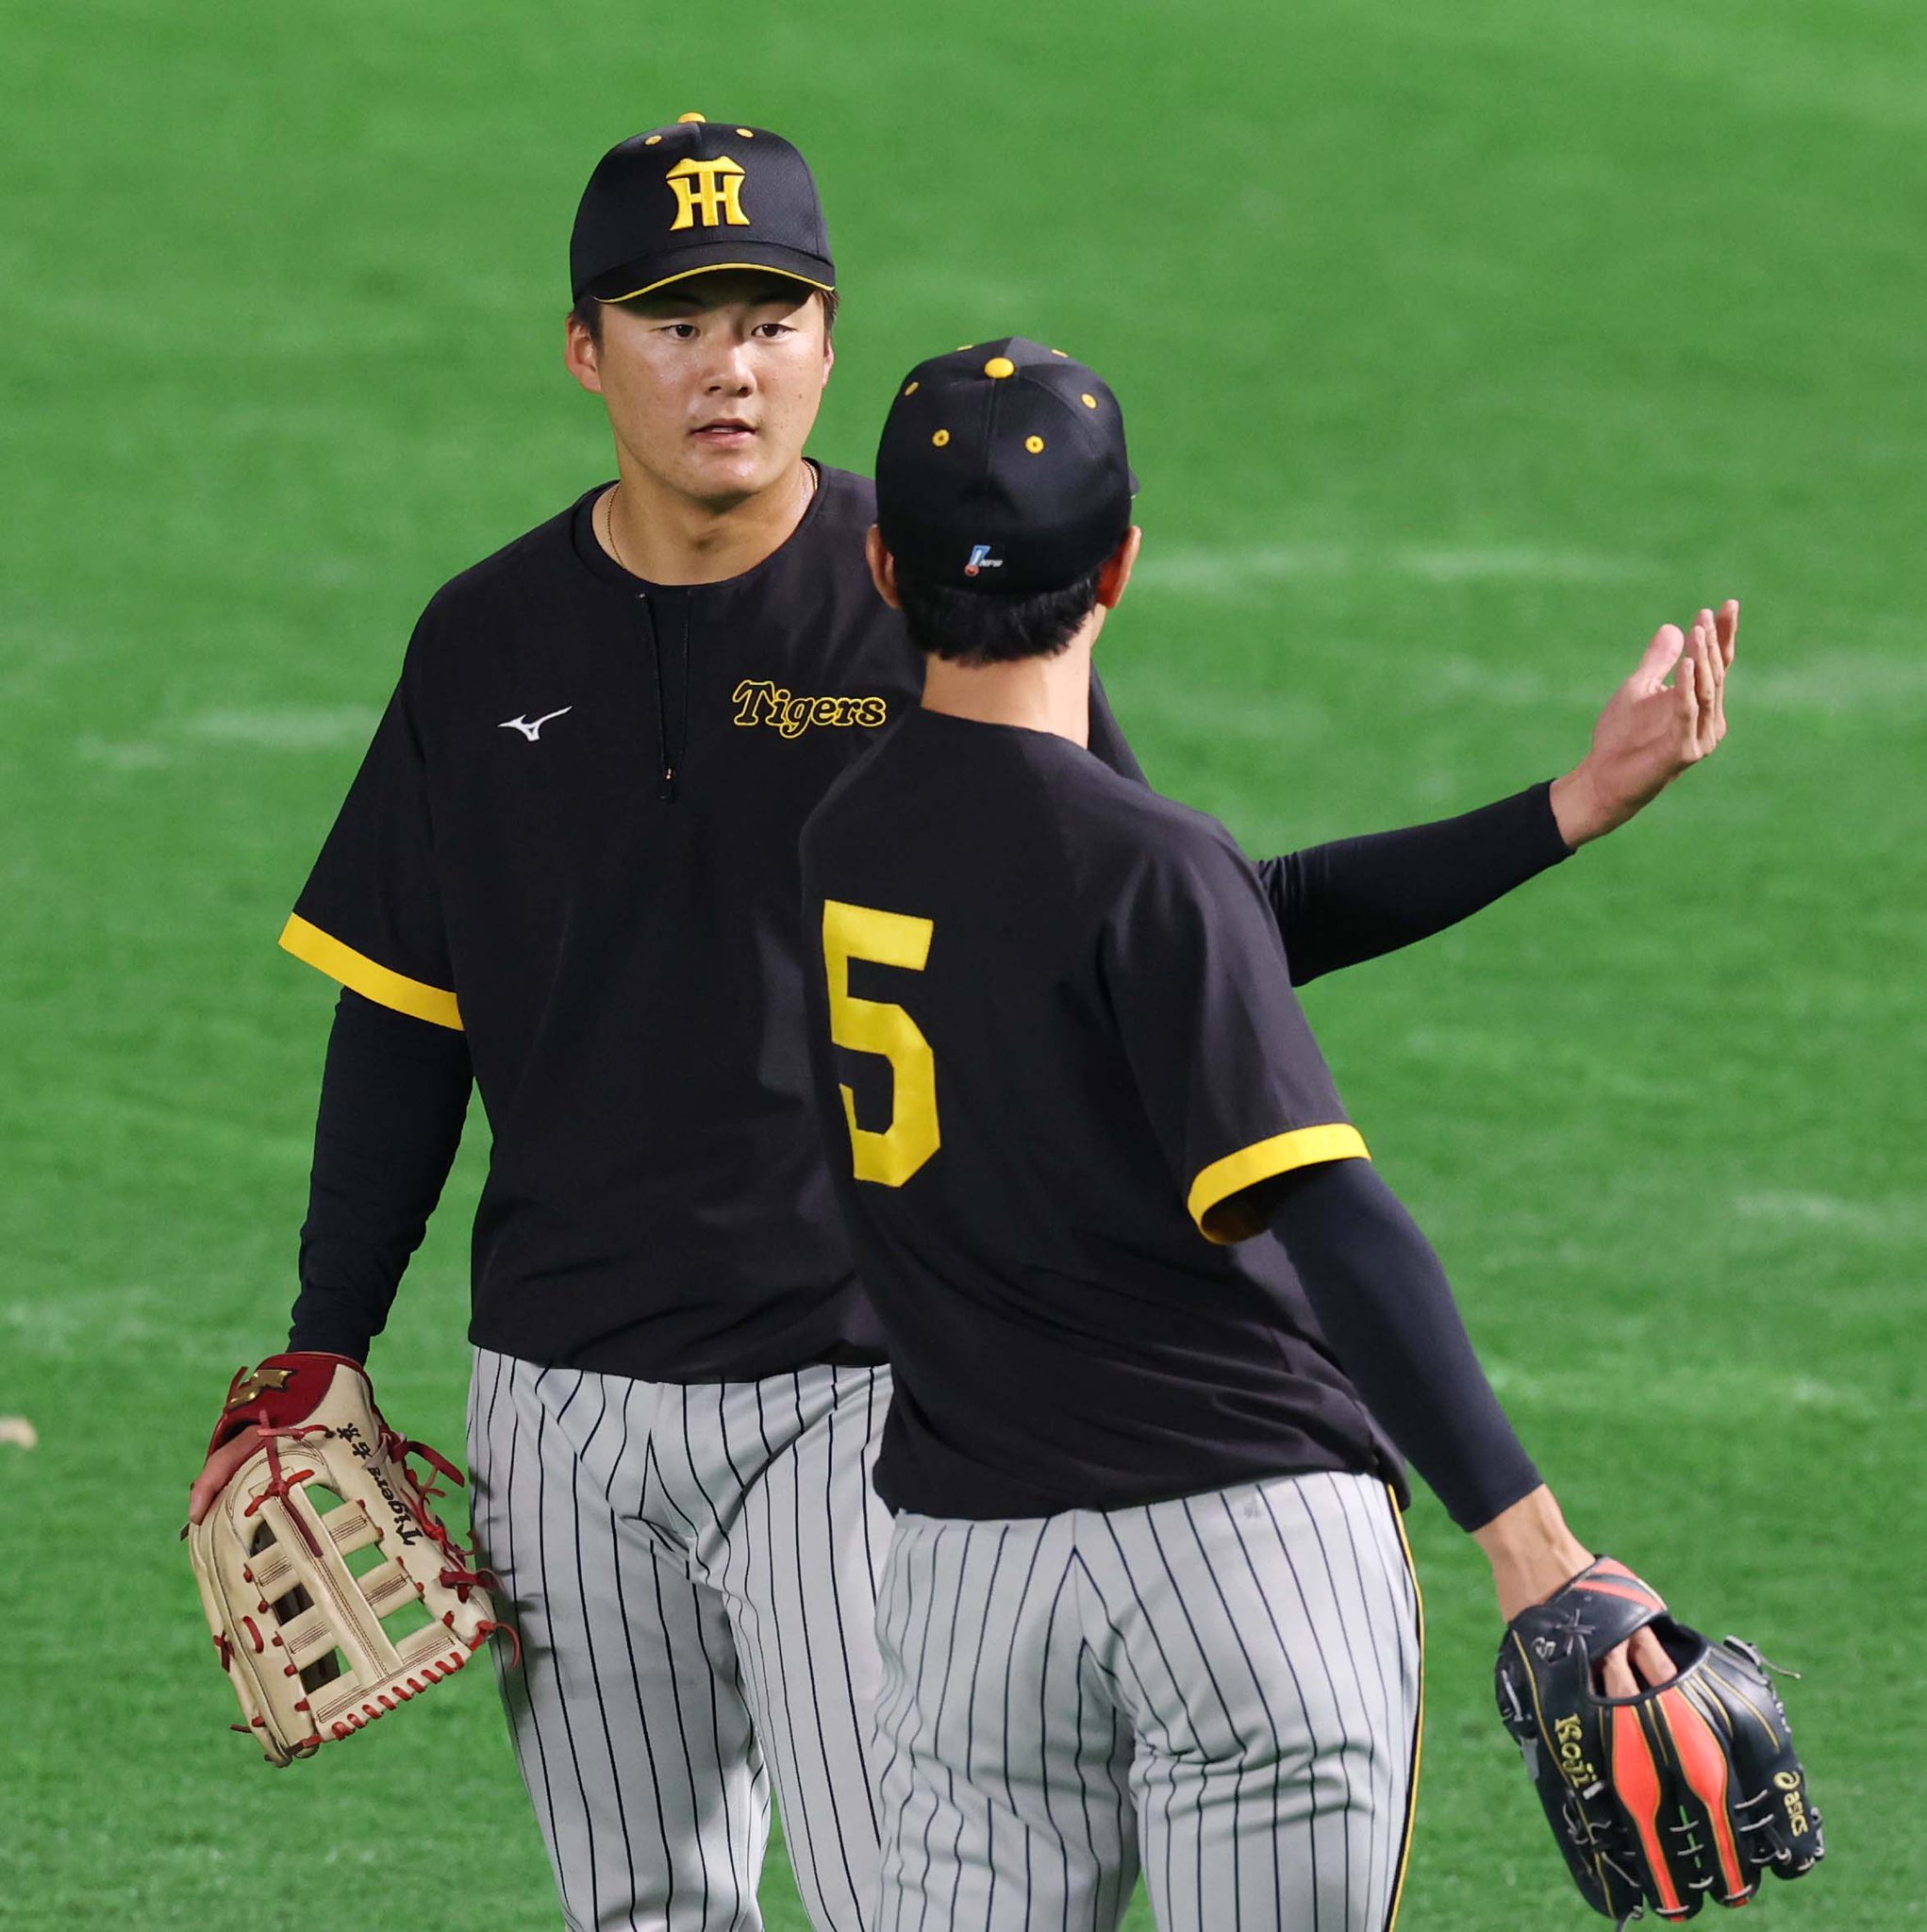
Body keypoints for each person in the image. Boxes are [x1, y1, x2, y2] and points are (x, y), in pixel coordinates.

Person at [187, 118, 1732, 1932]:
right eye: (678, 322)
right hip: (560, 1403)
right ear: (587, 348)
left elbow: (1187, 925)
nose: (729, 364)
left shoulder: (927, 596)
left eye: (771, 315)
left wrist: (1555, 808)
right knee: (637, 1910)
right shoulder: (485, 640)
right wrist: (326, 1335)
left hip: (855, 1399)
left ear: (830, 343)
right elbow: (402, 1009)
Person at [797, 338, 1730, 1931]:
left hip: (970, 1586)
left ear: (885, 567)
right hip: (1239, 1566)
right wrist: (1536, 1549)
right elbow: (1333, 1212)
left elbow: (1225, 921)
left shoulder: (850, 837)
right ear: (1123, 567)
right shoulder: (1137, 863)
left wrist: (1564, 807)